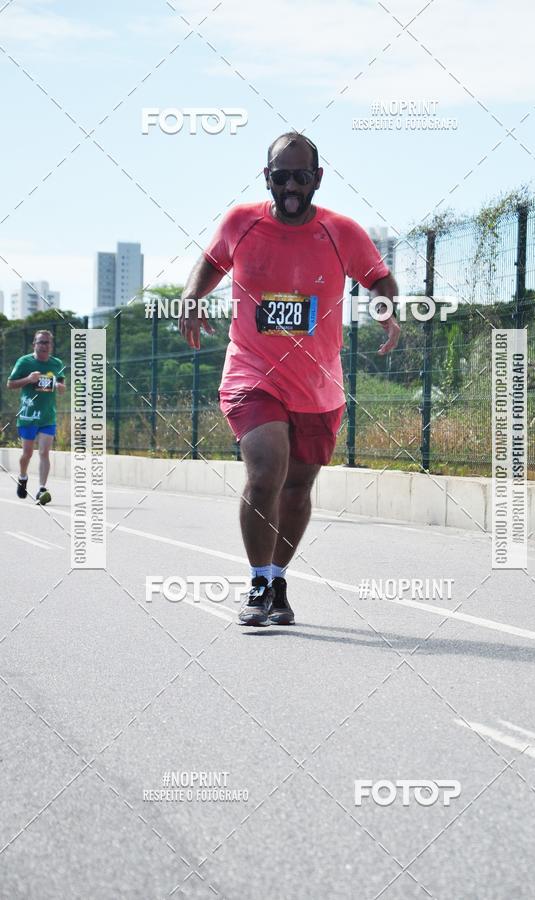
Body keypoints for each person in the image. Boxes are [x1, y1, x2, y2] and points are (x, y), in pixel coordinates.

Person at [180, 132, 400, 626]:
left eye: (302, 177)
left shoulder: (341, 231)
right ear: (268, 178)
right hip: (252, 372)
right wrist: (192, 297)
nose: (292, 187)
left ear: (317, 178)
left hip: (318, 385)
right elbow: (211, 262)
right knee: (265, 474)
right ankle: (258, 583)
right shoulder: (241, 222)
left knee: (297, 489)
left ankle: (278, 579)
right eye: (282, 177)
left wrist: (386, 308)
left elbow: (379, 278)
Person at [7, 329, 66, 505]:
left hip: (48, 417)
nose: (44, 346)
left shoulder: (56, 363)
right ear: (34, 344)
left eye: (47, 342)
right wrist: (28, 379)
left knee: (44, 452)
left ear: (51, 345)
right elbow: (10, 384)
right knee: (27, 454)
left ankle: (42, 488)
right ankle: (23, 477)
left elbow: (61, 385)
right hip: (29, 416)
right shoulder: (24, 362)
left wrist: (61, 387)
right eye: (40, 342)